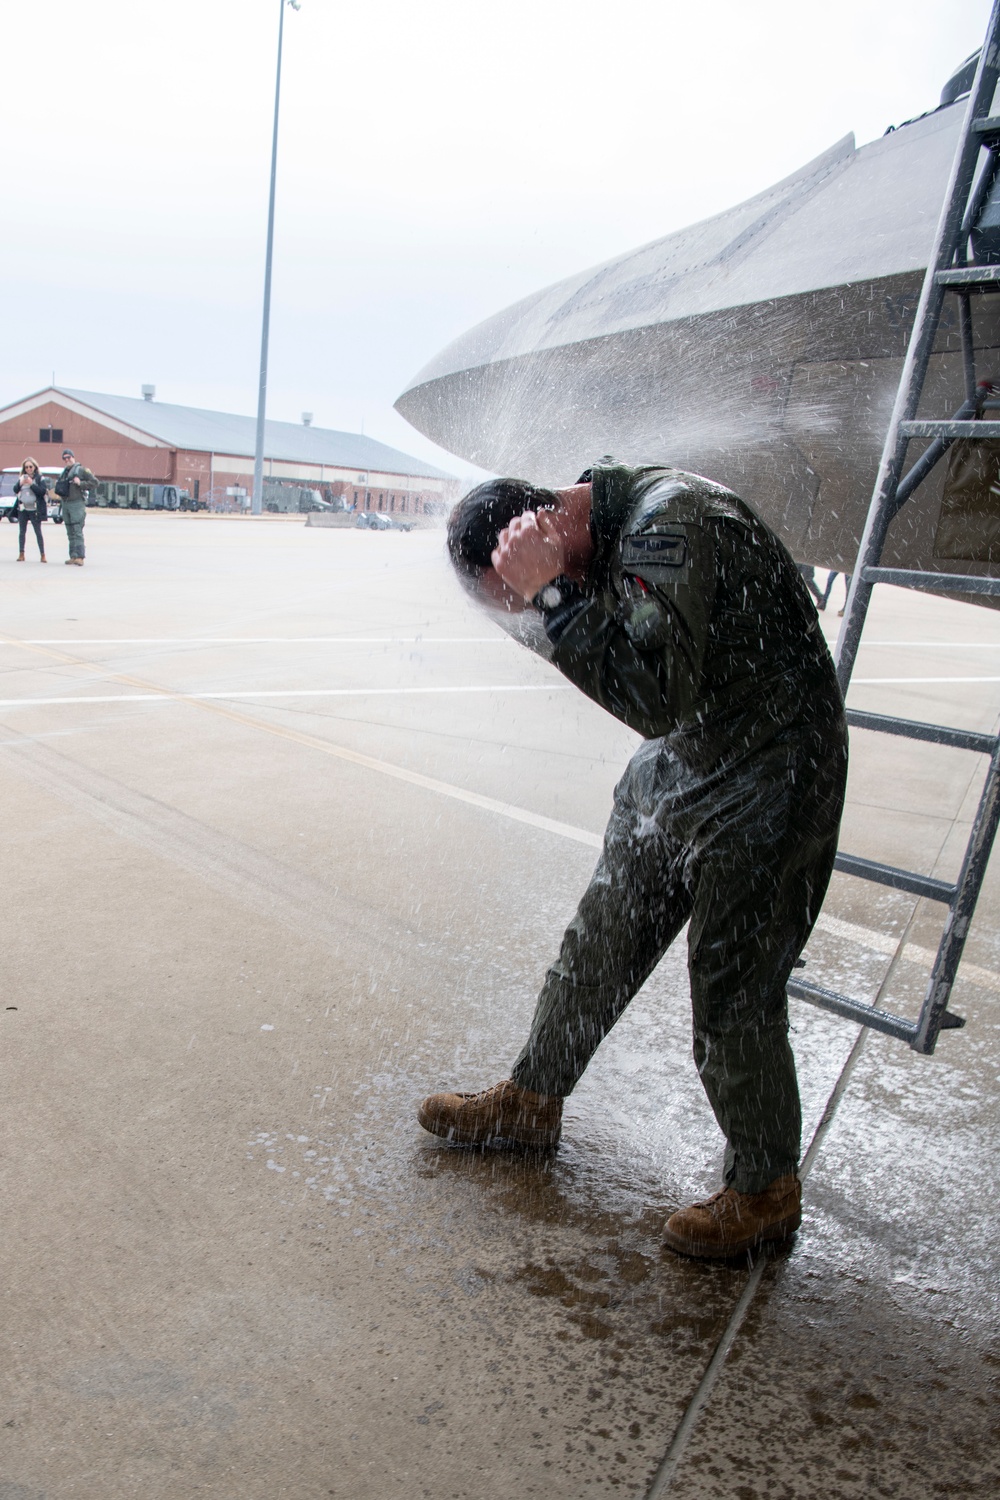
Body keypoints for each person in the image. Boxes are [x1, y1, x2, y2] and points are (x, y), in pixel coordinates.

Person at [418, 463, 848, 1260]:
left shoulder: (668, 522)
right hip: (688, 754)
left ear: (541, 530)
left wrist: (551, 594)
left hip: (770, 766)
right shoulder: (596, 537)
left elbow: (652, 689)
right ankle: (531, 1102)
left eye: (514, 595)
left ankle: (764, 1189)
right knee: (599, 942)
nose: (523, 614)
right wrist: (549, 594)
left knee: (733, 990)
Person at [55, 448, 97, 566]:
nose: (67, 460)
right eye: (65, 458)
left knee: (77, 530)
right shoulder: (64, 472)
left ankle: (80, 556)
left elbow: (95, 482)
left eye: (69, 457)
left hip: (77, 503)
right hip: (66, 503)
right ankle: (73, 555)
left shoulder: (82, 470)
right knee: (69, 531)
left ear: (73, 457)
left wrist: (81, 483)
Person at [13, 458, 48, 562]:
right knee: (22, 532)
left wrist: (31, 484)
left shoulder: (39, 478)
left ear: (35, 467)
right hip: (23, 509)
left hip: (35, 509)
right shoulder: (21, 478)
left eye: (30, 467)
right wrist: (21, 483)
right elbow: (15, 489)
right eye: (26, 467)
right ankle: (21, 554)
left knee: (38, 532)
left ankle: (42, 554)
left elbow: (42, 491)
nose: (28, 469)